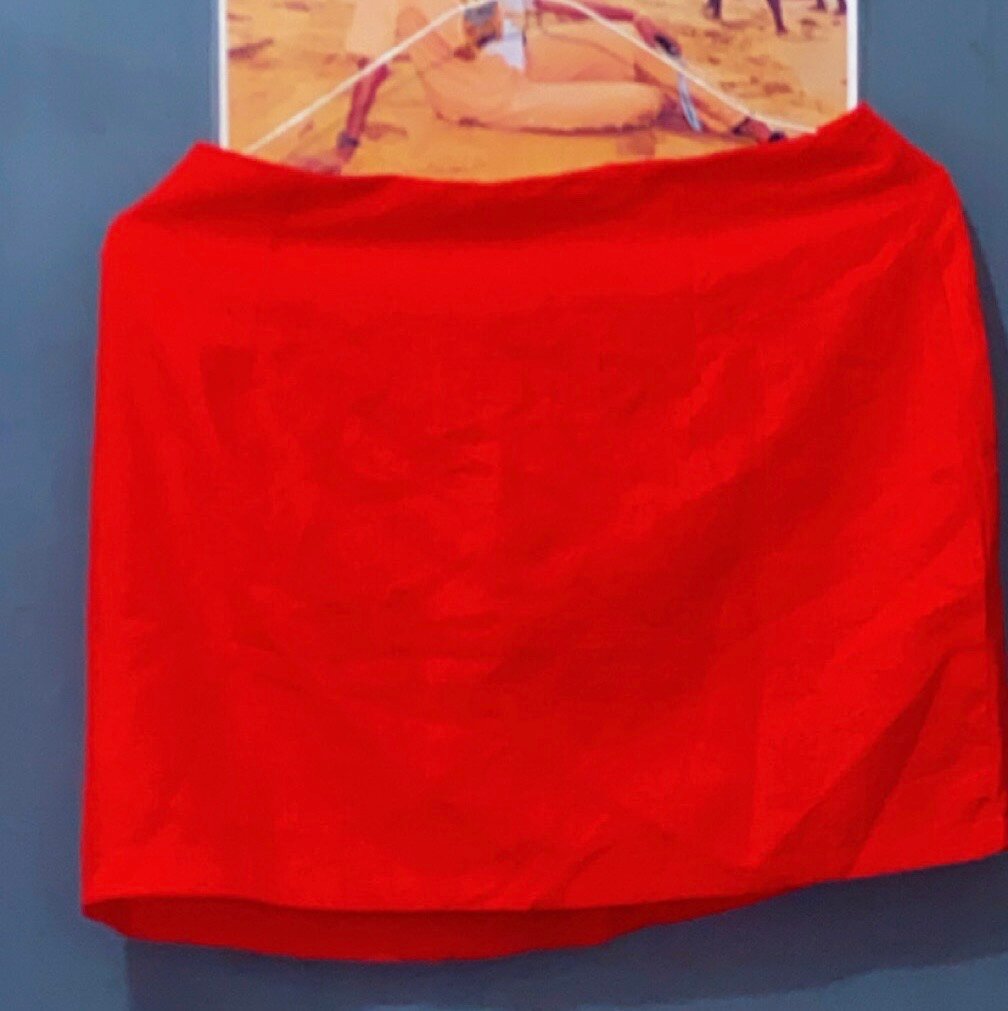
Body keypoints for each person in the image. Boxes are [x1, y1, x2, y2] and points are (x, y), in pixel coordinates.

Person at [306, 0, 778, 173]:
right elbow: (373, 67)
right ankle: (696, 112)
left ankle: (743, 121)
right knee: (643, 99)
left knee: (634, 43)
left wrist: (631, 15)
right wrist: (346, 146)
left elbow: (549, 3)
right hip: (488, 95)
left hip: (529, 55)